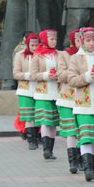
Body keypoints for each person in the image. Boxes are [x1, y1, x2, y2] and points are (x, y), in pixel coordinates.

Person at [68, 27, 94, 181]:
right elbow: (72, 80)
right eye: (88, 40)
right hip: (83, 104)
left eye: (93, 40)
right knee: (85, 137)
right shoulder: (76, 58)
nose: (91, 43)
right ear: (82, 41)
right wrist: (88, 76)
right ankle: (87, 168)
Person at [30, 30, 61, 159]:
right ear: (44, 39)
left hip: (57, 92)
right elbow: (33, 74)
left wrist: (59, 75)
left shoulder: (59, 54)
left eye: (55, 39)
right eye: (51, 39)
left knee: (53, 123)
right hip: (43, 93)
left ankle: (51, 150)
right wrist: (46, 75)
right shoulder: (37, 55)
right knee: (45, 120)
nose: (54, 41)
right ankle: (46, 148)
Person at [57, 30, 82, 173]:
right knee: (72, 130)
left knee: (82, 130)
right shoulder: (64, 55)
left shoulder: (88, 55)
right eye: (77, 39)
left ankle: (82, 159)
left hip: (84, 98)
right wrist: (75, 72)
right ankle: (72, 161)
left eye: (82, 39)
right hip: (68, 97)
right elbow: (60, 74)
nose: (80, 42)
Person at [13, 33, 40, 149]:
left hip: (40, 90)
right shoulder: (20, 55)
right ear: (28, 45)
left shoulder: (41, 56)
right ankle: (31, 140)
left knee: (38, 116)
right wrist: (29, 75)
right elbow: (16, 73)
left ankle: (38, 137)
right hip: (25, 89)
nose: (34, 48)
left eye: (36, 45)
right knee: (29, 116)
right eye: (32, 45)